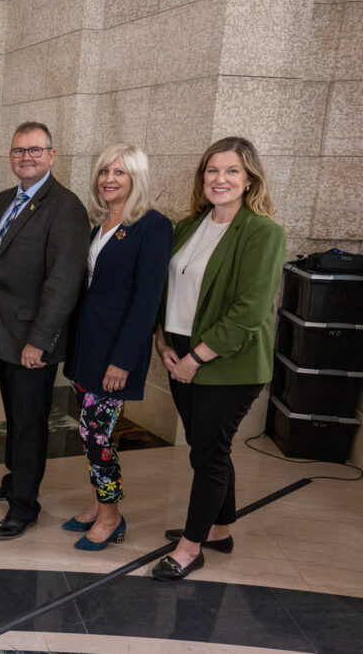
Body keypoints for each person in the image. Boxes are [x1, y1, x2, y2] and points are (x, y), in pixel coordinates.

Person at [152, 137, 285, 580]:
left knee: (207, 455)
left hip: (227, 365)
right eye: (212, 171)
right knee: (208, 448)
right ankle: (220, 529)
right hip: (179, 355)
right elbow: (168, 289)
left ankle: (191, 548)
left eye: (231, 171)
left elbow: (249, 311)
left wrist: (196, 358)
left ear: (250, 179)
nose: (220, 179)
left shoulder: (262, 232)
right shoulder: (190, 226)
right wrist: (163, 341)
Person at [0, 121, 89, 540]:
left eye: (35, 150)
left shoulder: (66, 207)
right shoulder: (6, 198)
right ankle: (14, 480)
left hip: (31, 340)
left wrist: (39, 341)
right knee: (14, 416)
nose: (26, 157)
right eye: (19, 150)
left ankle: (24, 506)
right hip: (2, 329)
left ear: (52, 155)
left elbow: (63, 282)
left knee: (29, 422)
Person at [61, 144, 172, 550]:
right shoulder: (99, 223)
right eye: (104, 171)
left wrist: (123, 360)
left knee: (96, 435)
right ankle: (96, 504)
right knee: (88, 432)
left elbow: (147, 300)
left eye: (119, 173)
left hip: (116, 354)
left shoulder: (153, 226)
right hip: (86, 348)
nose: (109, 179)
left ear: (136, 178)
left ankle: (111, 517)